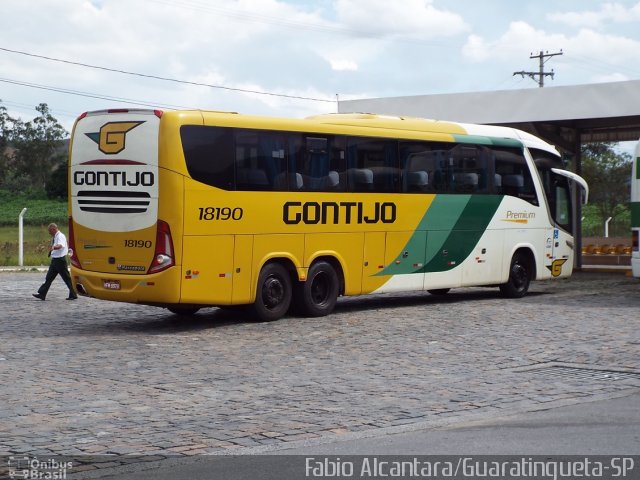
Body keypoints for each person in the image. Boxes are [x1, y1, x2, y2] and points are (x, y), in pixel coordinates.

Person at [33, 223, 78, 301]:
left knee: (66, 278)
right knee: (49, 278)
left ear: (53, 229)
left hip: (60, 260)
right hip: (55, 260)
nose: (49, 233)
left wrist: (53, 247)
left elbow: (60, 246)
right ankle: (42, 294)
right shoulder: (56, 236)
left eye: (50, 231)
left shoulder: (60, 236)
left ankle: (73, 294)